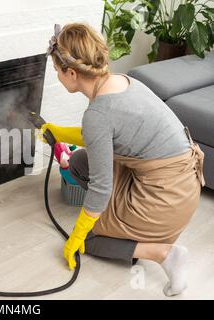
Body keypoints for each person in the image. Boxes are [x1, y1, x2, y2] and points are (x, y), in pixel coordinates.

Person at [42, 23, 205, 296]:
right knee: (82, 161)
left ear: (71, 73)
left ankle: (164, 253)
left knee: (90, 239)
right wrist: (59, 131)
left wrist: (79, 234)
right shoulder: (123, 82)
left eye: (57, 71)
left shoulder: (97, 115)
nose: (57, 76)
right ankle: (124, 224)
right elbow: (104, 134)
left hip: (166, 197)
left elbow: (101, 187)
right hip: (182, 182)